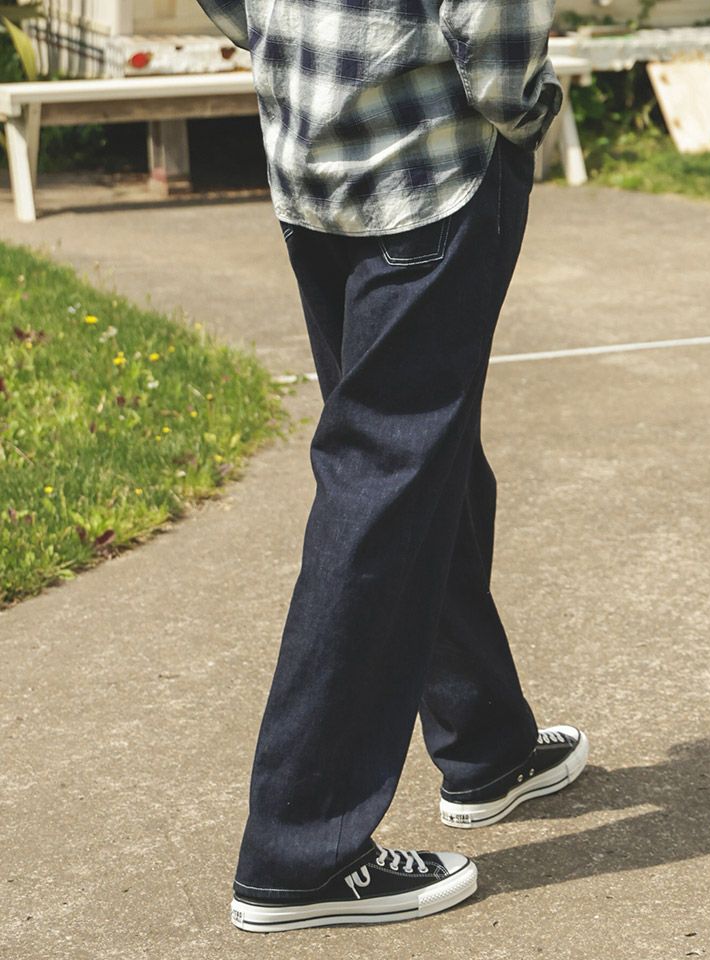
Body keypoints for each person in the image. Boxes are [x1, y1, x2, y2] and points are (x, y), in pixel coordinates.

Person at [196, 0, 589, 933]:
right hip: (432, 167)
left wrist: (291, 52)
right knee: (382, 481)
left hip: (309, 159)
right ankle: (301, 850)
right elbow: (494, 21)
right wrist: (527, 111)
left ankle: (485, 746)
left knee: (414, 459)